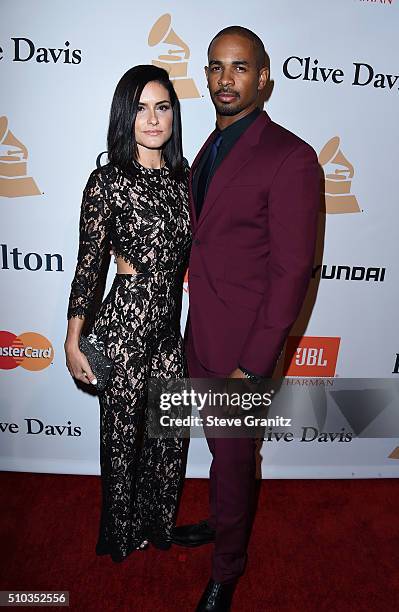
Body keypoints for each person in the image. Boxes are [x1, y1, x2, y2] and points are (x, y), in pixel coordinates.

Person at [172, 27, 320, 611]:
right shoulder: (209, 147)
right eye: (215, 67)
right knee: (222, 455)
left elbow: (290, 274)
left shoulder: (291, 156)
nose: (225, 79)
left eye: (239, 68)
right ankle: (221, 522)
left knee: (235, 460)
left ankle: (227, 570)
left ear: (263, 77)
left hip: (242, 354)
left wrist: (251, 365)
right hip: (200, 332)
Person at [64, 65, 191, 562]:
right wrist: (74, 339)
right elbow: (89, 266)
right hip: (123, 328)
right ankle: (121, 534)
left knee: (168, 436)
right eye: (140, 108)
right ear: (125, 115)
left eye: (162, 107)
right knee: (121, 442)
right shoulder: (106, 182)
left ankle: (157, 525)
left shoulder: (184, 178)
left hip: (167, 331)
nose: (153, 119)